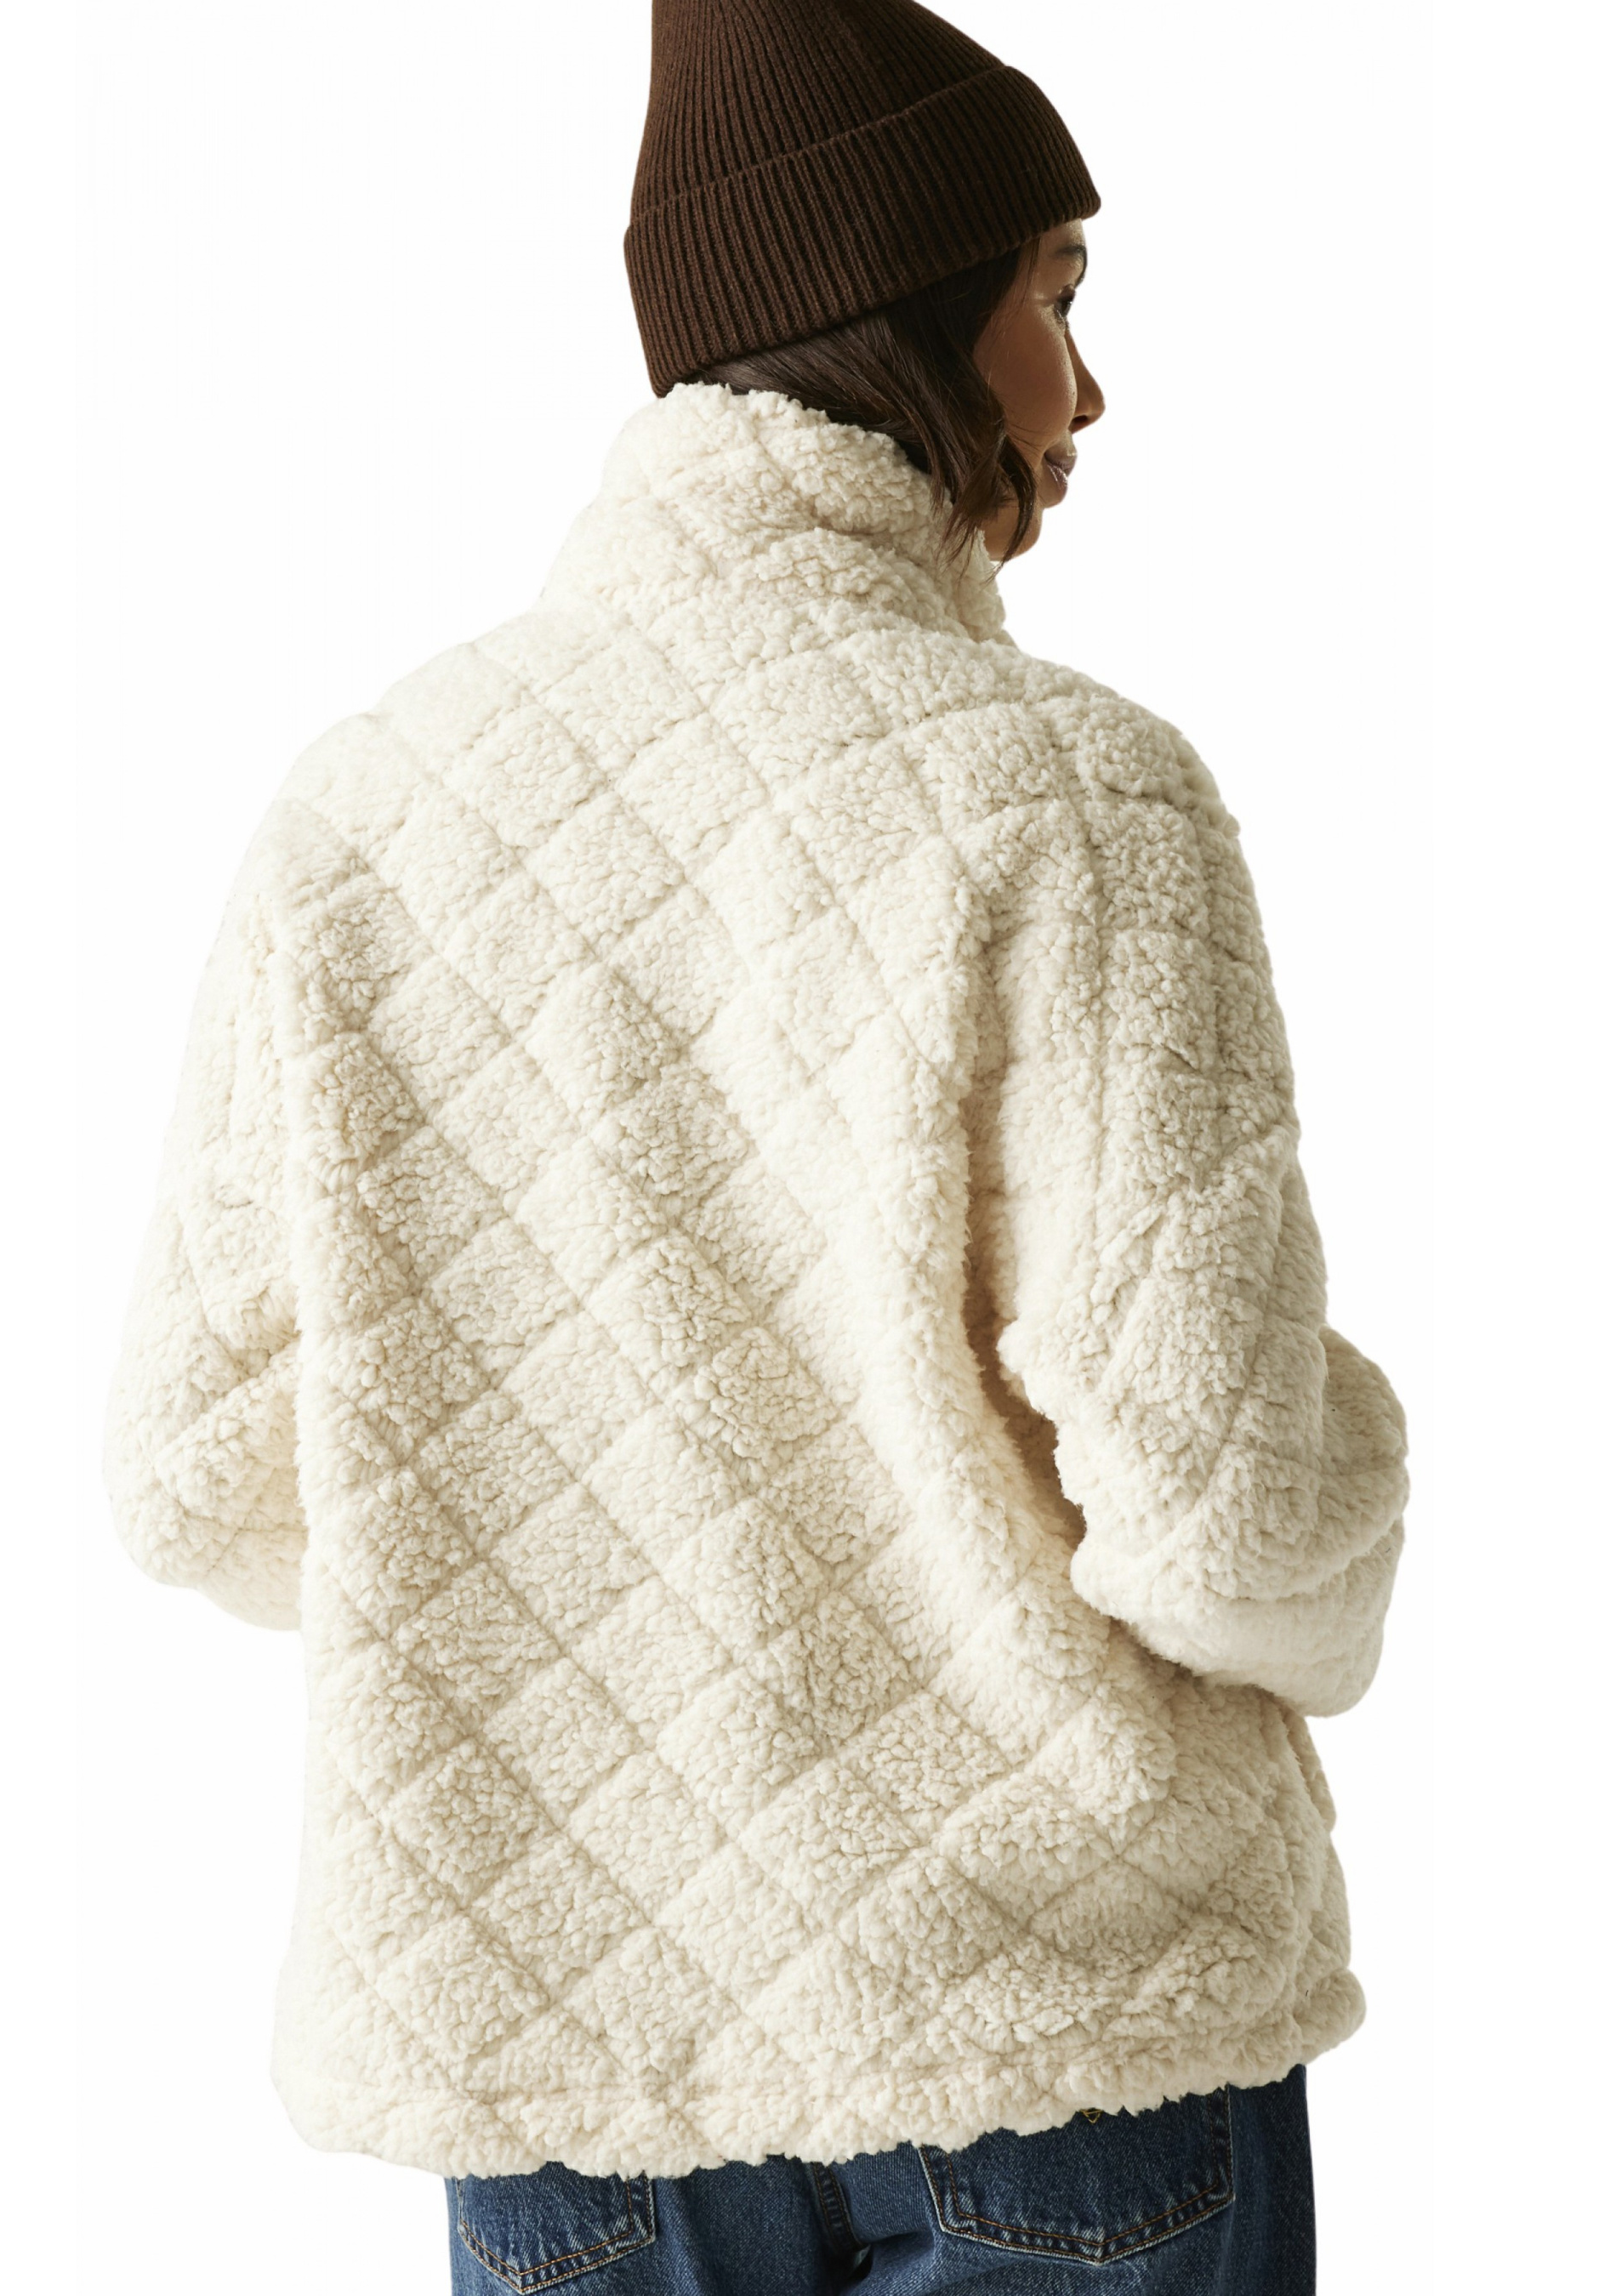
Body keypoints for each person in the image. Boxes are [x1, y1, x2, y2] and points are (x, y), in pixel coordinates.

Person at [102, 2, 1407, 2288]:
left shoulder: (364, 818)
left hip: (568, 2064)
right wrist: (1363, 1459)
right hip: (1065, 2032)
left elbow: (195, 1472)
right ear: (902, 313)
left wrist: (560, 1554)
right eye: (1054, 294)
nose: (1086, 388)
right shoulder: (1072, 794)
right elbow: (1226, 1512)